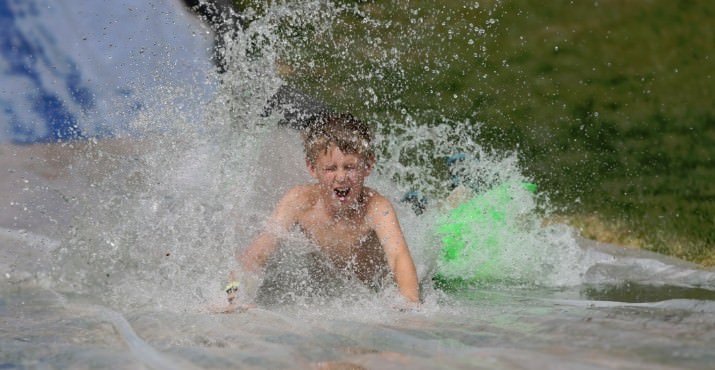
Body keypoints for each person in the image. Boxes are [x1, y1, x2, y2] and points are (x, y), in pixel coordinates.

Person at [223, 112, 420, 310]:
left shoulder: (377, 207)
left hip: (372, 289)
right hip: (330, 288)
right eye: (330, 169)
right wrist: (232, 299)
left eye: (350, 167)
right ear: (312, 168)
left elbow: (398, 257)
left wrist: (410, 302)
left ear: (368, 166)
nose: (341, 177)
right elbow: (256, 255)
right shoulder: (299, 202)